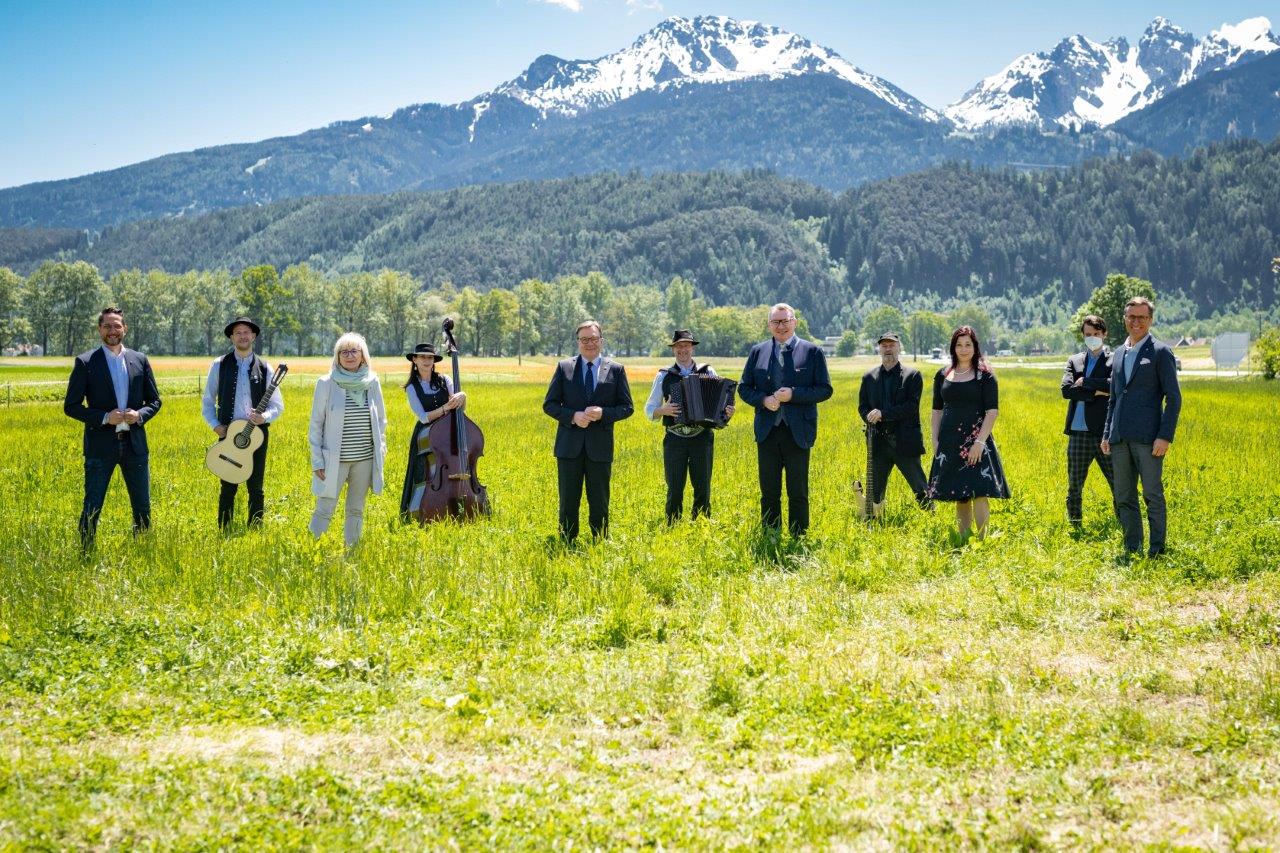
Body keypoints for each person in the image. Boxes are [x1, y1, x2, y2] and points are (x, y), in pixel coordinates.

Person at [63, 307, 162, 550]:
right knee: (92, 506)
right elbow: (71, 406)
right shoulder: (86, 362)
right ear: (99, 329)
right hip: (100, 447)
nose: (112, 331)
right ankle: (86, 553)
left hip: (135, 446)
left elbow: (155, 401)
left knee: (142, 506)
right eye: (107, 326)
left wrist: (138, 415)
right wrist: (105, 417)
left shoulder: (140, 360)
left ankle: (142, 552)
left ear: (125, 328)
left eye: (117, 326)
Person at [738, 303, 833, 538]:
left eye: (785, 321)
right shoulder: (757, 352)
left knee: (798, 490)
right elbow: (743, 388)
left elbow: (824, 390)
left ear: (795, 322)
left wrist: (794, 395)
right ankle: (771, 534)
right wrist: (763, 400)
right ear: (769, 325)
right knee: (769, 490)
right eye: (776, 322)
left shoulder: (812, 352)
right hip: (767, 431)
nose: (781, 326)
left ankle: (799, 536)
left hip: (798, 432)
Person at [1101, 296, 1181, 558]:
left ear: (1150, 320)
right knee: (1124, 496)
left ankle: (1157, 551)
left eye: (1142, 317)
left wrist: (1165, 436)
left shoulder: (1160, 352)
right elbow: (1114, 398)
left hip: (1149, 439)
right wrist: (1106, 434)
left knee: (1152, 495)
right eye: (1132, 317)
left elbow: (1174, 398)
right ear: (1125, 319)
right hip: (1119, 438)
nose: (1136, 322)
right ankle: (1132, 547)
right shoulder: (1119, 352)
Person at [542, 320, 634, 543]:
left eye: (593, 339)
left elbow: (627, 407)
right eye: (584, 339)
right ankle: (566, 542)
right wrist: (573, 416)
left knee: (600, 500)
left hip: (600, 448)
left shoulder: (616, 369)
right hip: (568, 448)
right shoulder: (564, 367)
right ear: (578, 342)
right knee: (568, 500)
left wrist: (604, 413)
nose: (589, 343)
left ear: (601, 341)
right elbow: (550, 404)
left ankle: (599, 542)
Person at [201, 316, 284, 529]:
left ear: (253, 336)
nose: (243, 336)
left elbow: (277, 406)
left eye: (247, 332)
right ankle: (224, 528)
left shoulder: (266, 368)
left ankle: (255, 529)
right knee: (227, 485)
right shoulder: (219, 365)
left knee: (256, 486)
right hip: (228, 434)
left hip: (256, 436)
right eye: (238, 332)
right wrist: (215, 425)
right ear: (231, 337)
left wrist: (263, 417)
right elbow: (208, 401)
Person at [927, 326, 1010, 539]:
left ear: (975, 347)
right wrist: (935, 440)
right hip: (950, 441)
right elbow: (937, 410)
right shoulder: (943, 374)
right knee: (959, 494)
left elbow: (992, 412)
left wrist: (979, 442)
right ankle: (964, 539)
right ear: (953, 348)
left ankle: (983, 541)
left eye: (968, 344)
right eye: (959, 344)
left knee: (979, 491)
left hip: (977, 441)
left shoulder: (986, 376)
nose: (963, 349)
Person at [644, 329, 734, 522]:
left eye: (686, 345)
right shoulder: (664, 376)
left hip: (702, 438)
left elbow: (721, 405)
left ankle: (701, 524)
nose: (682, 349)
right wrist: (663, 410)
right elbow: (649, 410)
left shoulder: (708, 372)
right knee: (675, 487)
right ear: (673, 349)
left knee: (703, 486)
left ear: (692, 348)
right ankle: (672, 525)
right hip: (675, 438)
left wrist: (726, 413)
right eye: (678, 346)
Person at [308, 332, 388, 548]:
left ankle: (351, 551)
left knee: (356, 509)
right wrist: (317, 461)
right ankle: (311, 550)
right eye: (344, 352)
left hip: (364, 459)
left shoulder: (372, 382)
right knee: (325, 508)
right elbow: (316, 424)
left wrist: (381, 451)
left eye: (354, 351)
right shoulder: (326, 383)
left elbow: (381, 420)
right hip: (334, 460)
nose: (349, 355)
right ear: (337, 356)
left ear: (363, 355)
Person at [857, 331, 931, 509]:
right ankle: (874, 522)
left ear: (899, 347)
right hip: (878, 443)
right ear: (879, 349)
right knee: (875, 493)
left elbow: (911, 407)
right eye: (884, 345)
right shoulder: (868, 378)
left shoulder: (913, 376)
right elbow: (862, 407)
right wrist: (869, 416)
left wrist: (883, 414)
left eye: (892, 345)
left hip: (905, 441)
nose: (888, 349)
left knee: (920, 488)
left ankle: (932, 520)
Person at [399, 342, 466, 519]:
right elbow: (423, 417)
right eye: (422, 357)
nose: (426, 361)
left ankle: (459, 504)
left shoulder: (446, 380)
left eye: (430, 357)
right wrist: (445, 408)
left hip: (449, 432)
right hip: (426, 435)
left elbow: (460, 407)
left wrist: (462, 397)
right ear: (414, 360)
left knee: (453, 467)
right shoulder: (412, 387)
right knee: (426, 475)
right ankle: (423, 511)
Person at [1060, 314, 1114, 529]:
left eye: (1096, 334)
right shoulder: (1074, 360)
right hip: (1078, 433)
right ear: (1083, 335)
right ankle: (1075, 525)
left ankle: (1125, 524)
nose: (1092, 338)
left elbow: (1113, 386)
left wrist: (1086, 382)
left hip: (1105, 433)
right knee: (1075, 485)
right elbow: (1066, 391)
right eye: (1088, 334)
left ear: (1104, 334)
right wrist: (1096, 393)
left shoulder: (1114, 360)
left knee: (1118, 483)